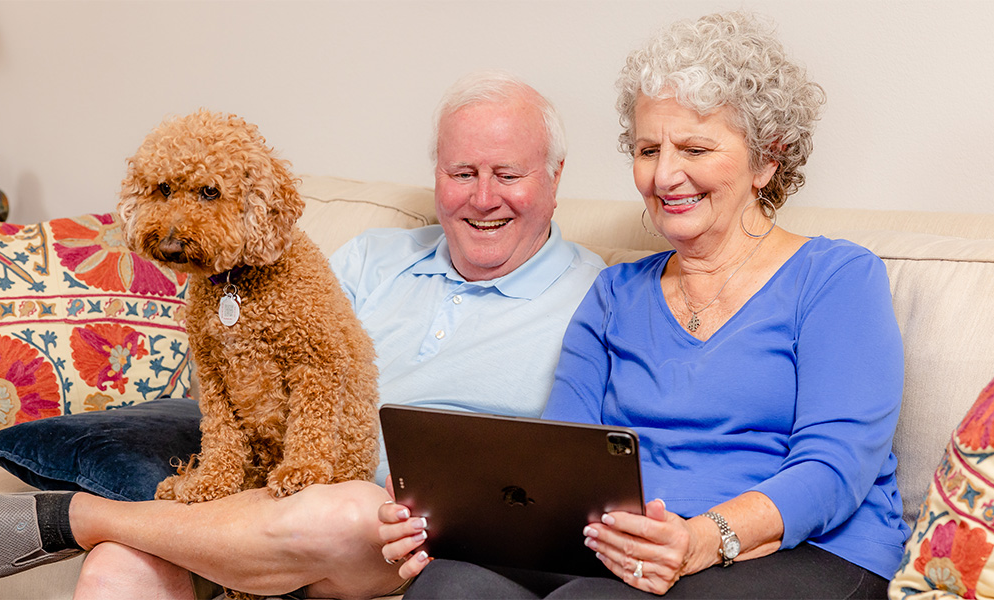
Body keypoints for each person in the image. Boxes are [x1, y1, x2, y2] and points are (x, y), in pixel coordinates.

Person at [0, 70, 605, 600]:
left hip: (408, 530)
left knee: (345, 507)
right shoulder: (372, 257)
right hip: (272, 495)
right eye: (462, 173)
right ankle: (122, 537)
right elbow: (258, 371)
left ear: (554, 176)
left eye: (506, 174)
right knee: (123, 569)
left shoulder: (595, 293)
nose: (483, 198)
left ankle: (80, 517)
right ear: (437, 177)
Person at [379, 11, 907, 599]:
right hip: (626, 543)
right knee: (450, 585)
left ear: (766, 159)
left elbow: (834, 468)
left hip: (807, 549)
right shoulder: (614, 294)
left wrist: (701, 537)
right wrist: (450, 524)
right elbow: (560, 457)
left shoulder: (836, 277)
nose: (666, 175)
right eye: (649, 149)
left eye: (695, 148)